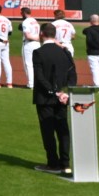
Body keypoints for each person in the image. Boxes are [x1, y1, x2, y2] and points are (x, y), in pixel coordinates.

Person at [30, 29, 78, 174]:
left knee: (48, 131)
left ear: (42, 34)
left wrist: (53, 91)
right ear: (54, 35)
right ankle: (65, 163)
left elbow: (40, 77)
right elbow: (72, 74)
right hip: (63, 97)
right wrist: (65, 92)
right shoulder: (65, 52)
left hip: (45, 98)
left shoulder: (38, 52)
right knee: (63, 128)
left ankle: (53, 163)